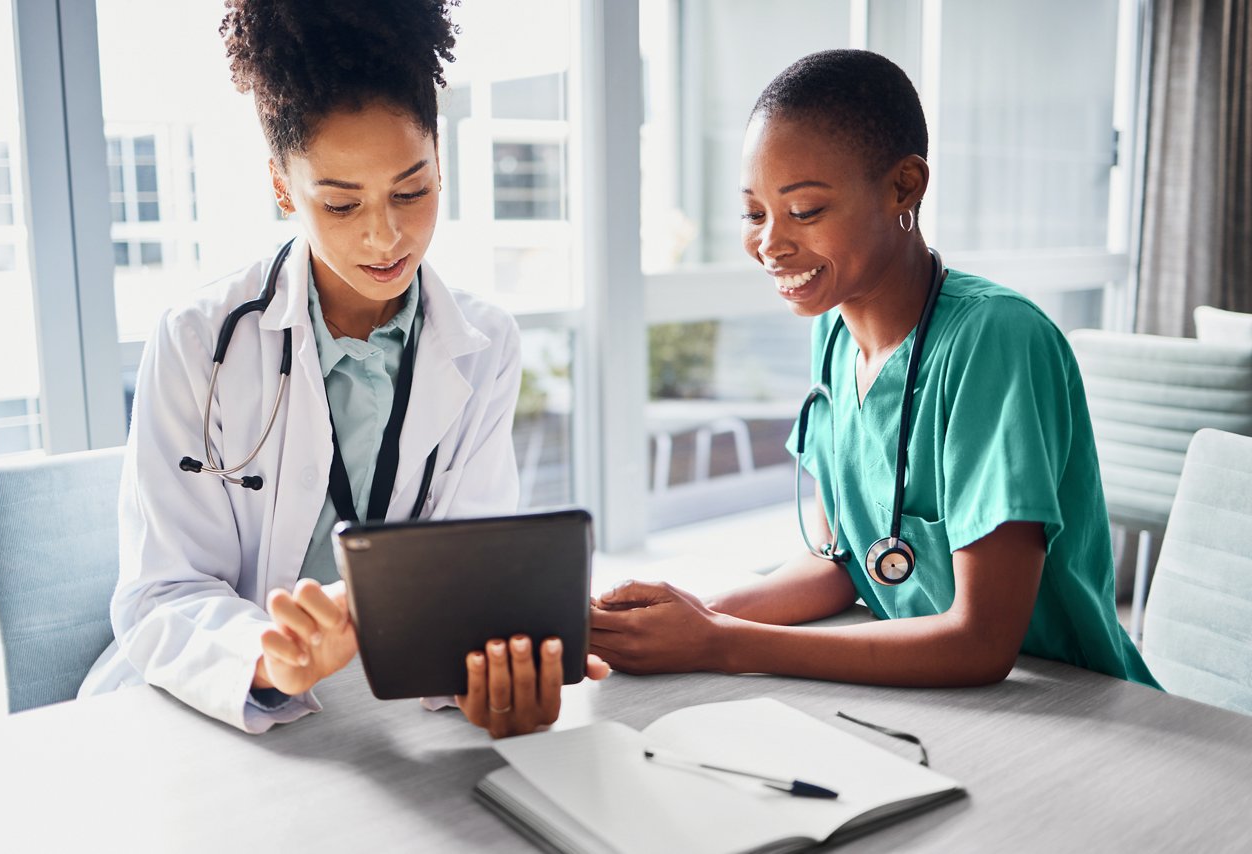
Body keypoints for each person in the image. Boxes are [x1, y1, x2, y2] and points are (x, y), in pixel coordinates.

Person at [80, 0, 606, 736]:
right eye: (339, 202)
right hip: (202, 709)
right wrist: (268, 658)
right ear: (280, 184)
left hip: (378, 717)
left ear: (440, 160)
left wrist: (491, 671)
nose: (384, 235)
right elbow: (160, 596)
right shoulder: (200, 338)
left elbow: (470, 573)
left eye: (412, 190)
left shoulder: (484, 342)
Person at [590, 49, 1158, 690]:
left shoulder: (997, 340)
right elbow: (843, 563)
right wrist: (693, 616)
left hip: (1072, 703)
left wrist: (721, 644)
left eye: (804, 211)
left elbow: (981, 642)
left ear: (903, 187)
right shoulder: (832, 335)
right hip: (931, 694)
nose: (770, 243)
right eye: (754, 213)